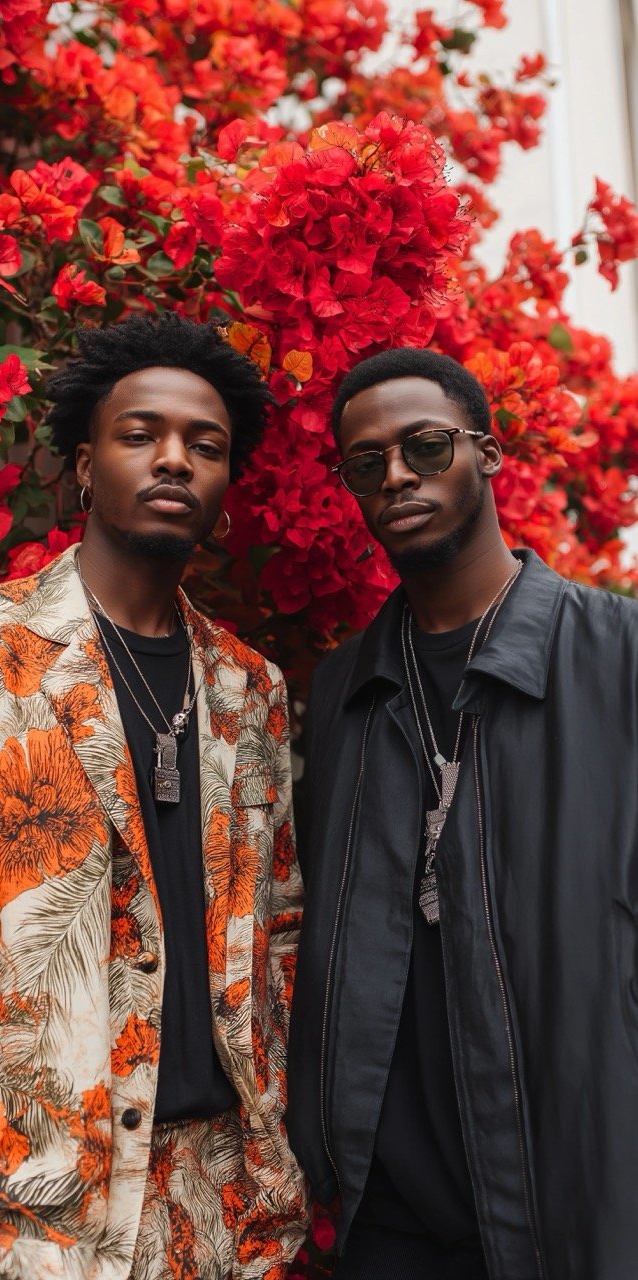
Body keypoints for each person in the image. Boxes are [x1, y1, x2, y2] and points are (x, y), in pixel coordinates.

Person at [0, 313, 307, 1280]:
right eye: (140, 435)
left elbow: (279, 932)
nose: (173, 458)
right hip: (31, 1218)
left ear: (223, 485)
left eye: (204, 445)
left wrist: (276, 1171)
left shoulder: (248, 688)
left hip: (221, 1213)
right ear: (86, 465)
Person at [286, 347, 638, 1280]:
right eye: (366, 463)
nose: (396, 474)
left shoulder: (616, 655)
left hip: (573, 1185)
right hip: (388, 1217)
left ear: (486, 453)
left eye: (424, 446)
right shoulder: (341, 688)